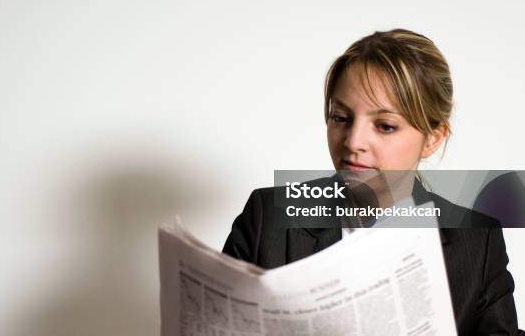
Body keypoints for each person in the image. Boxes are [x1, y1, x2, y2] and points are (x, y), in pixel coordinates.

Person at [222, 29, 521, 335]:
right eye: (340, 117)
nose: (354, 142)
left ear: (432, 138)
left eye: (385, 126)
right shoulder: (267, 216)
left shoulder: (477, 239)